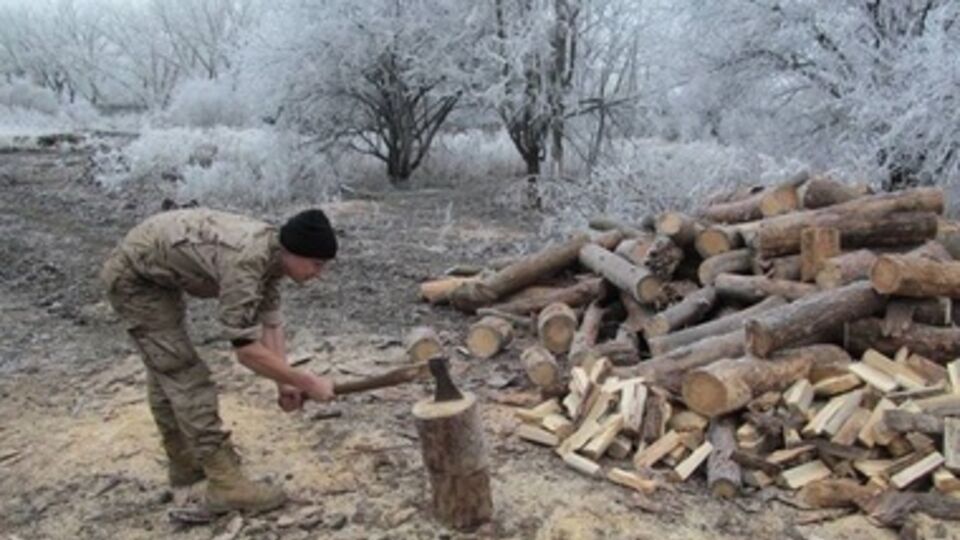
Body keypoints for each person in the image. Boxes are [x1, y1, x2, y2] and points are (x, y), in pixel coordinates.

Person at [100, 207, 338, 513]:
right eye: (316, 265)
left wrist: (284, 384)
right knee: (183, 374)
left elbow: (271, 324)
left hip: (155, 273)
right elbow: (246, 351)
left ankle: (187, 469)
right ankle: (225, 483)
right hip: (135, 278)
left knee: (166, 370)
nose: (319, 274)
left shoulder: (272, 256)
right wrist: (306, 381)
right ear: (292, 252)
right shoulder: (246, 261)